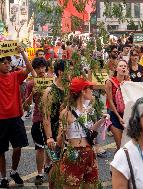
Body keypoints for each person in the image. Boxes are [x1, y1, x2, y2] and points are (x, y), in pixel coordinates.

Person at [57, 77, 109, 189]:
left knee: (91, 186)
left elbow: (90, 132)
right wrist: (63, 132)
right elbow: (59, 141)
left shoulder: (87, 109)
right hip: (74, 154)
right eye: (90, 88)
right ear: (82, 91)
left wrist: (101, 121)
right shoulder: (67, 113)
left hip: (90, 152)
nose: (92, 90)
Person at [0, 47, 32, 188]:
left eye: (8, 62)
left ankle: (13, 171)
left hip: (15, 118)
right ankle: (3, 177)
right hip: (0, 119)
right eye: (4, 63)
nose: (7, 65)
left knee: (18, 147)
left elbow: (29, 69)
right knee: (1, 151)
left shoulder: (15, 75)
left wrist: (22, 52)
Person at [23, 57, 48, 185]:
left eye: (43, 67)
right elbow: (25, 106)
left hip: (52, 118)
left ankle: (49, 166)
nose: (41, 70)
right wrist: (33, 93)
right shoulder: (31, 83)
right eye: (38, 68)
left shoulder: (51, 81)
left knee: (52, 145)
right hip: (38, 119)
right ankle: (39, 173)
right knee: (40, 148)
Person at [42, 60, 65, 188]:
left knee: (66, 163)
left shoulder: (69, 88)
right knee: (55, 164)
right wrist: (50, 137)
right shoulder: (50, 91)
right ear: (60, 72)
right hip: (55, 132)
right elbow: (46, 117)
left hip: (67, 132)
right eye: (69, 70)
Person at [105, 60, 129, 151]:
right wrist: (119, 117)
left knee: (127, 147)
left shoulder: (128, 81)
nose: (123, 67)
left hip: (126, 114)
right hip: (114, 115)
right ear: (116, 69)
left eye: (125, 66)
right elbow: (110, 102)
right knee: (120, 147)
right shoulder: (109, 82)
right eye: (121, 66)